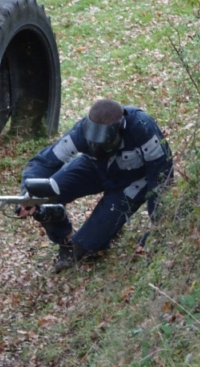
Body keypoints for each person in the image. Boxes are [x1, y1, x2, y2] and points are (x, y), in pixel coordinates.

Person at [17, 98, 173, 273]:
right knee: (45, 196)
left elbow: (161, 176)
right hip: (93, 167)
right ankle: (65, 240)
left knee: (88, 245)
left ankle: (89, 240)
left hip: (133, 182)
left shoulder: (142, 128)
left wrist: (158, 225)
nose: (97, 145)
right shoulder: (80, 131)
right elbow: (45, 162)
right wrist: (28, 194)